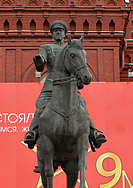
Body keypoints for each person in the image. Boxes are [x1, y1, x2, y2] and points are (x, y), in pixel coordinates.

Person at [24, 20, 106, 151]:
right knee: (41, 106)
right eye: (55, 31)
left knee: (82, 105)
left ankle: (94, 132)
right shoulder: (46, 47)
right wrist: (39, 61)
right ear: (52, 34)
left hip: (70, 87)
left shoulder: (72, 48)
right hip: (51, 85)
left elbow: (78, 66)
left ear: (64, 34)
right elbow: (41, 65)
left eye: (60, 31)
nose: (58, 32)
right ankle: (32, 133)